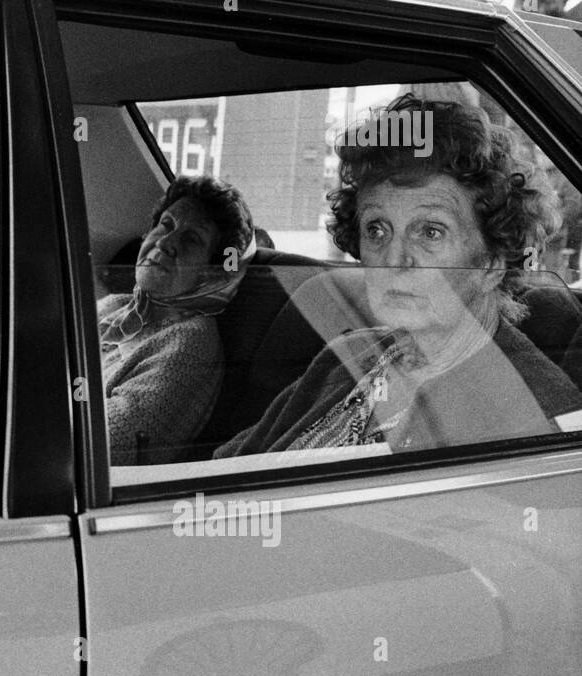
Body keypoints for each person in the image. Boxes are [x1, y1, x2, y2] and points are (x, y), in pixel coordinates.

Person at [217, 94, 582, 458]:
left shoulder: (534, 413)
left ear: (492, 262)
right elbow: (232, 464)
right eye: (377, 230)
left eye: (430, 232)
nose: (394, 260)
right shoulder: (352, 353)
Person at [99, 174, 255, 465]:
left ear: (212, 273)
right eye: (166, 225)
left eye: (192, 239)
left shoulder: (189, 343)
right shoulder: (112, 307)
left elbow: (104, 446)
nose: (167, 243)